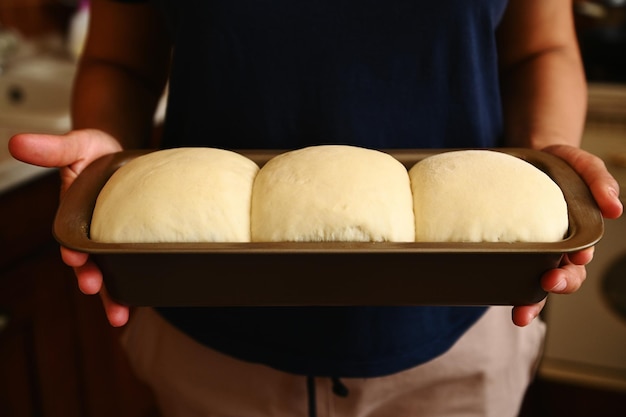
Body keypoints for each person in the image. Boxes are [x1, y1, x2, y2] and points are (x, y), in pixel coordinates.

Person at [9, 0, 623, 416]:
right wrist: (107, 165)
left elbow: (541, 48)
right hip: (204, 339)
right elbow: (120, 61)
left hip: (463, 334)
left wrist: (547, 169)